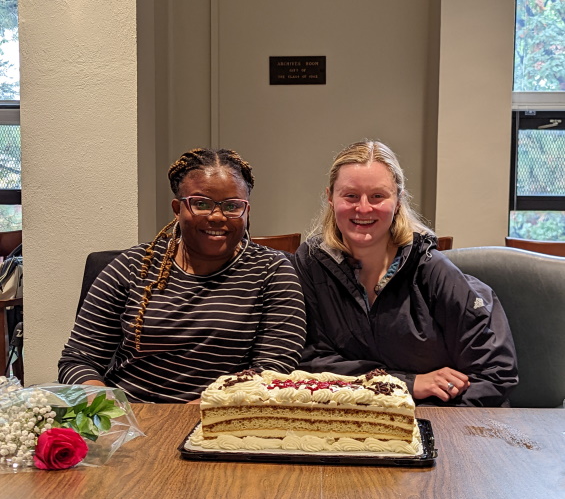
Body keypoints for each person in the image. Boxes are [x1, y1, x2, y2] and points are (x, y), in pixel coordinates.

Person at [59, 148, 306, 402]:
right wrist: (109, 409)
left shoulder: (272, 270)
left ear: (246, 211)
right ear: (178, 208)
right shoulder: (133, 266)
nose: (217, 216)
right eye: (201, 204)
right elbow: (79, 359)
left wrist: (202, 410)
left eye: (232, 206)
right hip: (130, 416)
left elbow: (272, 369)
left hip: (222, 419)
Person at [293, 141, 518, 406]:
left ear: (398, 200)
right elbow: (308, 361)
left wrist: (426, 419)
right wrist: (405, 384)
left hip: (438, 419)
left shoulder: (432, 269)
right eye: (350, 196)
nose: (363, 208)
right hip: (350, 418)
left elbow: (495, 375)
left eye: (378, 196)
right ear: (331, 198)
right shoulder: (309, 264)